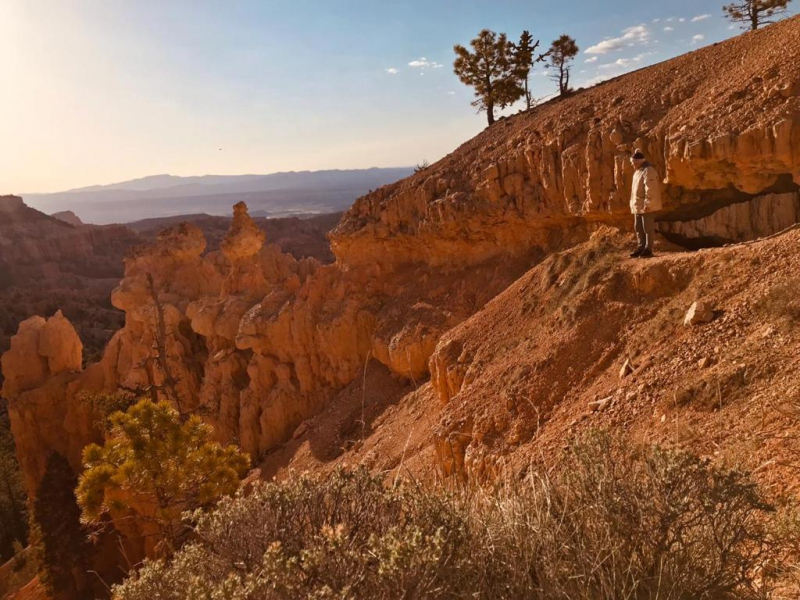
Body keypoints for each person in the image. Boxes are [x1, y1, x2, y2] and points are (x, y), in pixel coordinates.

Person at [629, 149, 662, 258]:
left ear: (639, 162)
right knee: (638, 228)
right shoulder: (637, 172)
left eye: (633, 162)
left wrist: (648, 204)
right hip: (637, 206)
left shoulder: (648, 171)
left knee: (647, 228)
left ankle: (648, 249)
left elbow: (651, 189)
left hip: (646, 205)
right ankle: (641, 247)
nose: (632, 164)